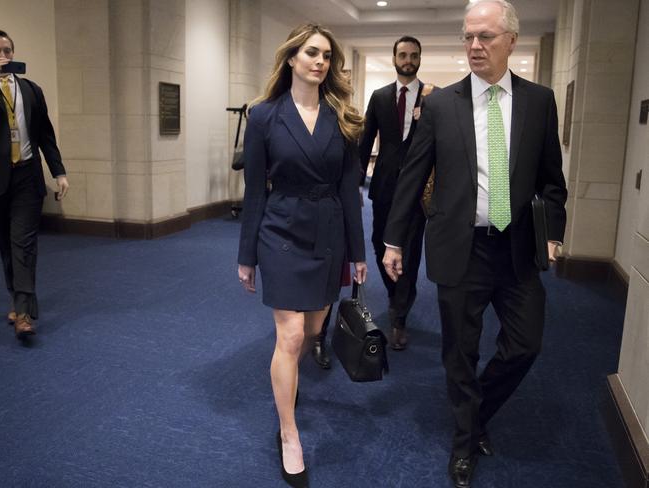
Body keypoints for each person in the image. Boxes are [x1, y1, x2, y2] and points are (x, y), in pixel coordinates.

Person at [382, 1, 567, 487]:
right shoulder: (441, 104)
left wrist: (554, 234)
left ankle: (476, 410)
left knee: (526, 344)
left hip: (517, 248)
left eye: (485, 36)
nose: (474, 46)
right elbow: (412, 174)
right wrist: (394, 240)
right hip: (460, 247)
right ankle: (464, 442)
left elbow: (552, 180)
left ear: (511, 41)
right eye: (467, 37)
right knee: (459, 352)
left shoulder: (539, 101)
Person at [237, 24, 367, 488]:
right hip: (281, 229)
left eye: (327, 56)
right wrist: (247, 254)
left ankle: (291, 382)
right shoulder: (264, 116)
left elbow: (351, 192)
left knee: (314, 330)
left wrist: (358, 252)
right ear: (291, 58)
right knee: (290, 335)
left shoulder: (345, 117)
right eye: (311, 53)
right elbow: (254, 192)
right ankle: (289, 433)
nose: (320, 62)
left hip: (328, 231)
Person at [359, 36, 434, 351]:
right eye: (402, 54)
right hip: (384, 185)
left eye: (413, 55)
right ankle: (394, 294)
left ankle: (399, 315)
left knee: (411, 251)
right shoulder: (379, 97)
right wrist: (353, 180)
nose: (408, 59)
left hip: (417, 191)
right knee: (380, 243)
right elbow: (366, 140)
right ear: (394, 58)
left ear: (419, 59)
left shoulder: (433, 98)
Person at [0, 30, 69, 341]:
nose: (2, 55)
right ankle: (18, 298)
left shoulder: (31, 90)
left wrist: (59, 172)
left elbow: (45, 136)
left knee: (23, 244)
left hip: (27, 176)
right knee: (6, 246)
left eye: (6, 50)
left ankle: (24, 314)